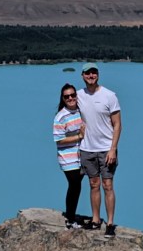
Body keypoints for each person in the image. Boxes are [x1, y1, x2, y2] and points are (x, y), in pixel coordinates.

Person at [76, 62, 121, 238]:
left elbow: (117, 125)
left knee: (107, 185)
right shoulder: (78, 96)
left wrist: (113, 149)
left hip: (106, 149)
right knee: (93, 184)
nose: (91, 76)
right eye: (87, 73)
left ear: (98, 75)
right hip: (87, 148)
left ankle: (109, 223)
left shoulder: (110, 96)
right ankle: (96, 220)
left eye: (93, 73)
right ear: (82, 76)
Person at [52, 83, 86, 229]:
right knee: (74, 185)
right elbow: (59, 139)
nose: (71, 98)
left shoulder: (81, 111)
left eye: (73, 95)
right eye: (67, 96)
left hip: (81, 155)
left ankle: (71, 215)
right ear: (63, 98)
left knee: (76, 186)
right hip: (67, 157)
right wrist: (79, 136)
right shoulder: (60, 116)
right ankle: (70, 219)